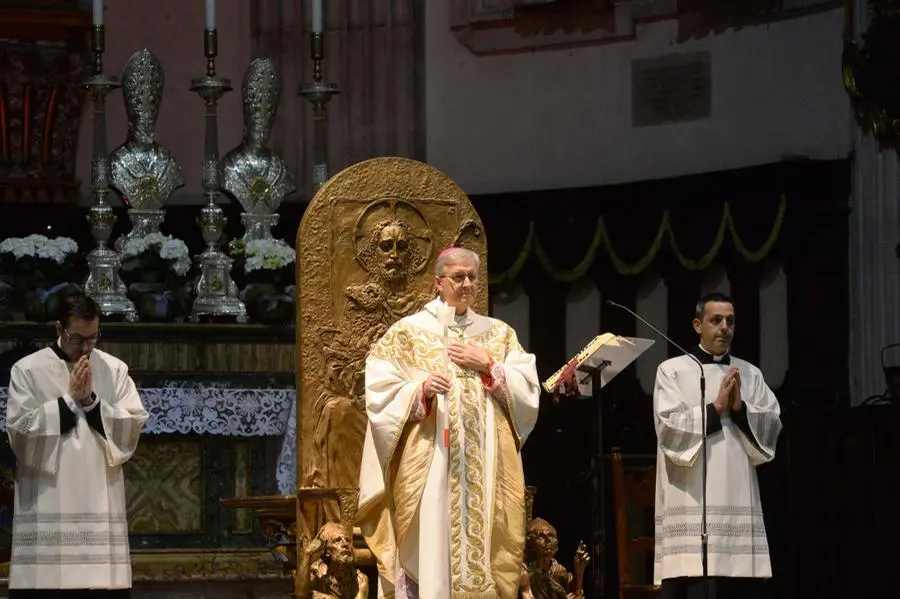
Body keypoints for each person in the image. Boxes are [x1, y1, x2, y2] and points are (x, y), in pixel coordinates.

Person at [356, 247, 541, 599]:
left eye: (472, 276)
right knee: (431, 546)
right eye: (458, 277)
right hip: (431, 463)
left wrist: (489, 364)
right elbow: (379, 392)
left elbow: (528, 391)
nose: (467, 283)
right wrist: (420, 390)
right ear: (438, 283)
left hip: (485, 466)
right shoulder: (408, 333)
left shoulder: (498, 334)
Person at [5, 291, 148, 598]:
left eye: (93, 338)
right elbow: (21, 435)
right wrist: (69, 402)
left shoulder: (114, 370)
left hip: (98, 496)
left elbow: (131, 427)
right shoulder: (27, 371)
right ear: (59, 329)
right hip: (47, 501)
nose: (86, 348)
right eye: (77, 339)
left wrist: (92, 402)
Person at [653, 292, 782, 599]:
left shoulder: (749, 373)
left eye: (730, 321)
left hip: (737, 495)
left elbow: (772, 427)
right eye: (716, 320)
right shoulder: (672, 371)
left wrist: (739, 409)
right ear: (698, 325)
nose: (725, 327)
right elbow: (668, 431)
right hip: (691, 498)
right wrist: (715, 409)